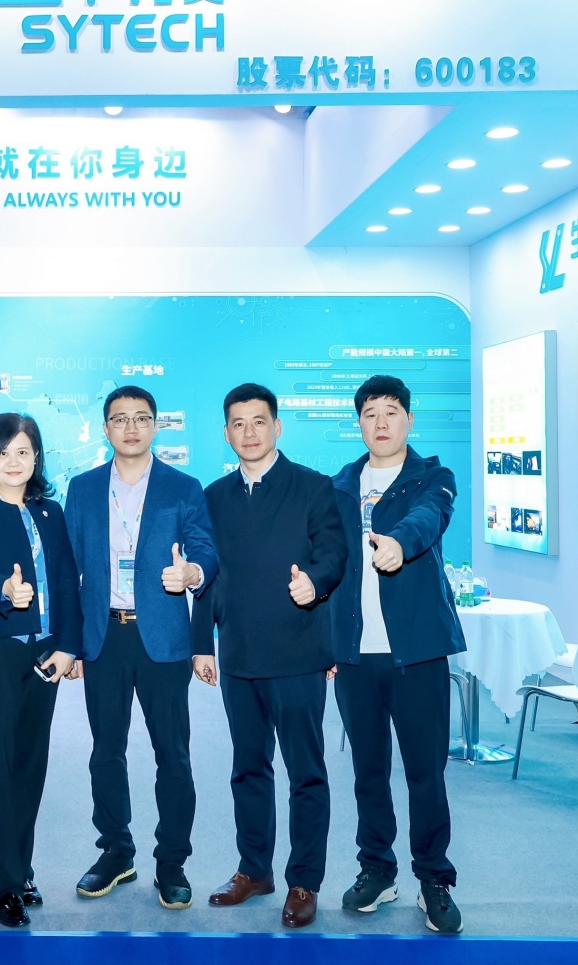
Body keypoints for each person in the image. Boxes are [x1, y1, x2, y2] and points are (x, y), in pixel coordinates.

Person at [195, 383, 347, 930]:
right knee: (248, 769)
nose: (249, 432)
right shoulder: (213, 496)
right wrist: (201, 643)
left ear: (277, 426)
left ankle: (304, 881)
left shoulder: (312, 486)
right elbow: (206, 574)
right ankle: (254, 870)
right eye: (238, 423)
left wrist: (315, 583)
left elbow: (334, 553)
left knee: (306, 772)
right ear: (226, 433)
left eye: (259, 421)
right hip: (238, 655)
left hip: (298, 653)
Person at [65, 386, 220, 910]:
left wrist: (192, 572)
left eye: (141, 418)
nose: (130, 428)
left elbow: (206, 551)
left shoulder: (183, 487)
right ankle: (116, 852)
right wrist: (70, 643)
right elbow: (66, 571)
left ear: (156, 426)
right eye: (119, 419)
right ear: (105, 429)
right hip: (104, 636)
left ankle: (172, 861)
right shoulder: (83, 488)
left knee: (172, 755)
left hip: (165, 640)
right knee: (105, 752)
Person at [328, 374, 466, 936]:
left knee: (425, 772)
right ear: (358, 423)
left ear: (409, 419)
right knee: (368, 770)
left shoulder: (434, 478)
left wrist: (398, 543)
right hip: (356, 656)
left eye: (391, 412)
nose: (381, 422)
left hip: (417, 652)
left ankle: (434, 879)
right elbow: (326, 563)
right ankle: (377, 870)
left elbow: (427, 519)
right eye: (370, 413)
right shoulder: (338, 487)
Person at [0, 413, 82, 928]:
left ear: (36, 458)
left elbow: (68, 582)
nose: (13, 461)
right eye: (3, 452)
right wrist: (5, 591)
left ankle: (20, 869)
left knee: (29, 767)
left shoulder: (51, 512)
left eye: (23, 452)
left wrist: (69, 646)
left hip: (45, 653)